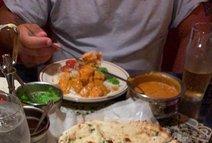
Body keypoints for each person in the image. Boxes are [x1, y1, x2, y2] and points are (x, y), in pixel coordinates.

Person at [0, 0, 211, 74]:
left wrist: (179, 95)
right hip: (66, 93)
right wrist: (18, 36)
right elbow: (8, 18)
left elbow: (199, 28)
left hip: (143, 97)